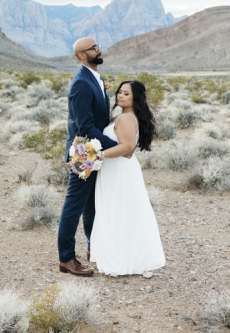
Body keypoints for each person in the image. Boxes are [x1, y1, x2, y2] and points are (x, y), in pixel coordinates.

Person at [57, 37, 131, 276]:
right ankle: (66, 258)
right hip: (83, 152)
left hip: (95, 151)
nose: (100, 50)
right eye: (94, 48)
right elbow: (86, 127)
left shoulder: (95, 79)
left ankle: (93, 247)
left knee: (92, 204)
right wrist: (120, 147)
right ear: (81, 55)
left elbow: (98, 120)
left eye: (98, 46)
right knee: (74, 205)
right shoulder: (81, 83)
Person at [89, 80, 166, 276]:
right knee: (118, 210)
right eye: (120, 92)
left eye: (126, 93)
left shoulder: (126, 119)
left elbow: (127, 147)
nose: (120, 96)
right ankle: (120, 254)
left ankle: (124, 259)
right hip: (115, 169)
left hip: (120, 170)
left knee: (120, 210)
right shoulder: (122, 116)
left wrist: (97, 156)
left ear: (135, 98)